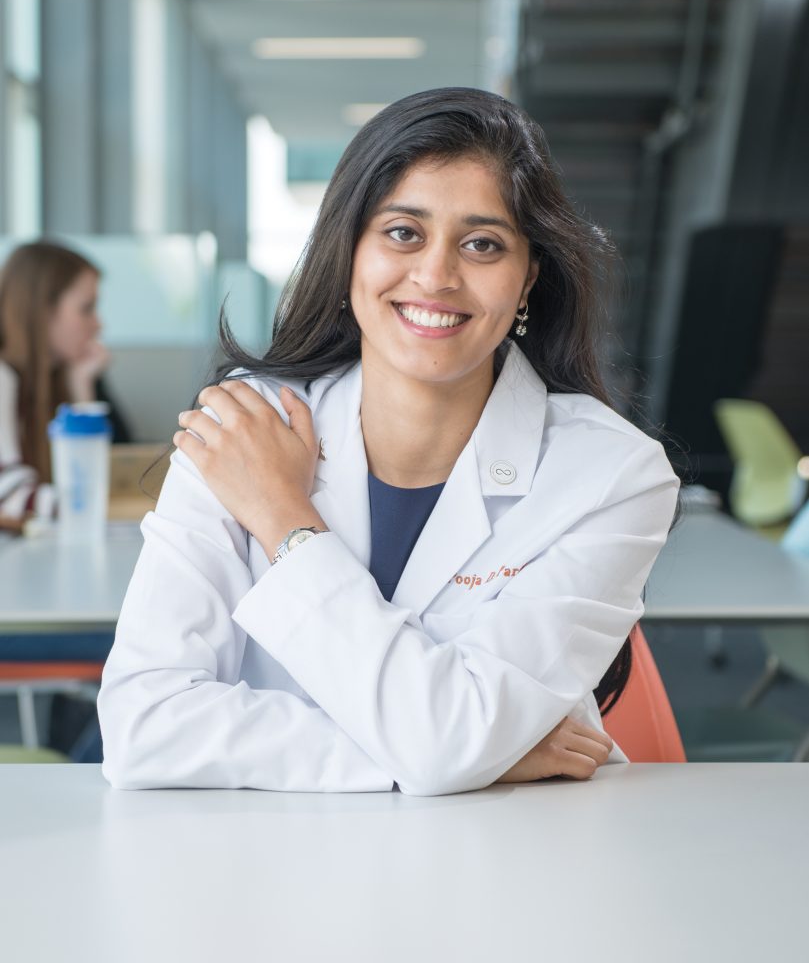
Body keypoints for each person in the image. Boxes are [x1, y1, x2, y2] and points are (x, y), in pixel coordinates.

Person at [98, 88, 680, 795]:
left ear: (527, 277)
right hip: (266, 868)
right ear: (349, 253)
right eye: (402, 233)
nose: (435, 275)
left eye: (482, 243)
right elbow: (144, 724)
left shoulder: (610, 473)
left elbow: (451, 745)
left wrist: (287, 522)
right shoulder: (243, 427)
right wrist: (467, 751)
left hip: (513, 859)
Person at [0, 240, 131, 527]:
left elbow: (116, 469)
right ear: (42, 312)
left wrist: (82, 388)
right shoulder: (3, 378)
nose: (98, 324)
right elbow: (7, 493)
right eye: (87, 308)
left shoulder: (64, 375)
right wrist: (87, 505)